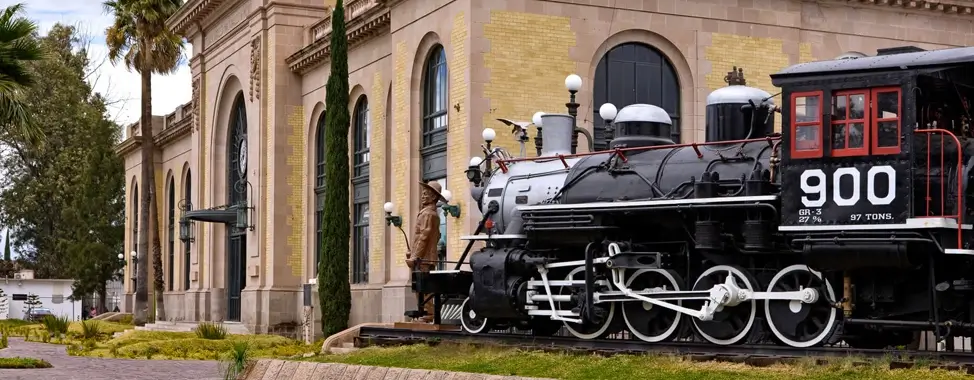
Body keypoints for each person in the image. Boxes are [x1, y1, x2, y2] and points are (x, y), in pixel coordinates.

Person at [406, 181, 445, 322]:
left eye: (426, 193)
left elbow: (424, 236)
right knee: (421, 286)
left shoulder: (428, 214)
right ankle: (426, 312)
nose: (422, 195)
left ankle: (429, 313)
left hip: (423, 258)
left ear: (434, 197)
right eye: (423, 192)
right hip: (423, 256)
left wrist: (415, 256)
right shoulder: (429, 213)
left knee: (423, 286)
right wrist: (412, 253)